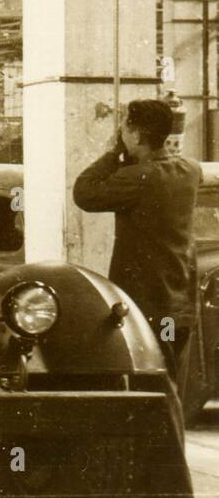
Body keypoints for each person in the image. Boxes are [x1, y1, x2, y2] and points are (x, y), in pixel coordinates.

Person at [73, 98, 201, 379]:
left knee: (152, 382)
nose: (120, 132)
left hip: (150, 306)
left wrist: (112, 153)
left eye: (124, 128)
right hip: (179, 304)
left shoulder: (138, 177)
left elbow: (84, 192)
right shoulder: (190, 170)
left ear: (136, 134)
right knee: (170, 379)